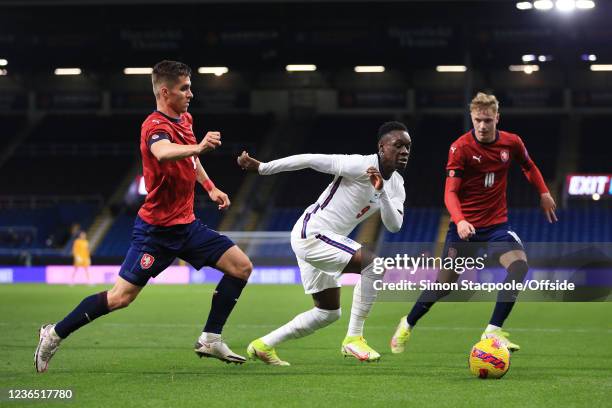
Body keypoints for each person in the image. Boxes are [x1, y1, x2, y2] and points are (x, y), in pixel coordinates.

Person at [35, 60, 253, 373]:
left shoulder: (185, 118)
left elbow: (189, 160)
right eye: (184, 88)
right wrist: (200, 146)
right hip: (156, 232)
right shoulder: (155, 126)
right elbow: (163, 152)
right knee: (120, 298)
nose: (191, 93)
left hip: (187, 226)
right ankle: (54, 333)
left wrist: (210, 187)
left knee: (241, 267)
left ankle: (210, 337)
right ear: (165, 92)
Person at [390, 92, 557, 354]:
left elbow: (529, 166)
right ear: (472, 117)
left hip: (497, 227)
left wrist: (544, 192)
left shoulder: (512, 143)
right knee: (444, 286)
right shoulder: (460, 148)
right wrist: (461, 220)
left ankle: (493, 330)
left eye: (487, 120)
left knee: (519, 267)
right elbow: (450, 193)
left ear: (497, 118)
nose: (482, 125)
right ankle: (407, 322)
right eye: (477, 119)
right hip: (464, 229)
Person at [237, 121, 410, 365]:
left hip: (323, 240)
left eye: (408, 147)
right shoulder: (360, 164)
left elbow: (394, 225)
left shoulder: (397, 185)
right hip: (312, 233)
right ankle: (354, 338)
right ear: (382, 147)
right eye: (398, 145)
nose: (404, 151)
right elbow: (310, 159)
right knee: (375, 265)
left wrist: (381, 192)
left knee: (327, 312)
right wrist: (264, 168)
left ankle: (263, 345)